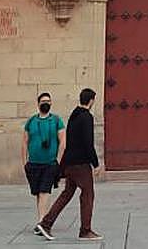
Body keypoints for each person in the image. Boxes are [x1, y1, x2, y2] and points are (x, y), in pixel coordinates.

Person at [35, 88, 101, 242]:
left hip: (70, 163)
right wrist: (96, 164)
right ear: (91, 101)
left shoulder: (74, 115)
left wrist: (62, 166)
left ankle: (45, 223)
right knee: (88, 194)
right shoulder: (86, 117)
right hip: (80, 164)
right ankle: (85, 230)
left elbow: (69, 141)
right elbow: (88, 143)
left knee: (67, 194)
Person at [24, 92, 67, 221]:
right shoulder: (31, 121)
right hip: (33, 163)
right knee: (38, 192)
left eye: (48, 101)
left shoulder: (56, 121)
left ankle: (42, 221)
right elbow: (24, 142)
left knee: (45, 191)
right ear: (38, 104)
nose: (46, 104)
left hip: (50, 163)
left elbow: (63, 141)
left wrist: (58, 160)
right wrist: (24, 162)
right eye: (43, 102)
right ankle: (42, 218)